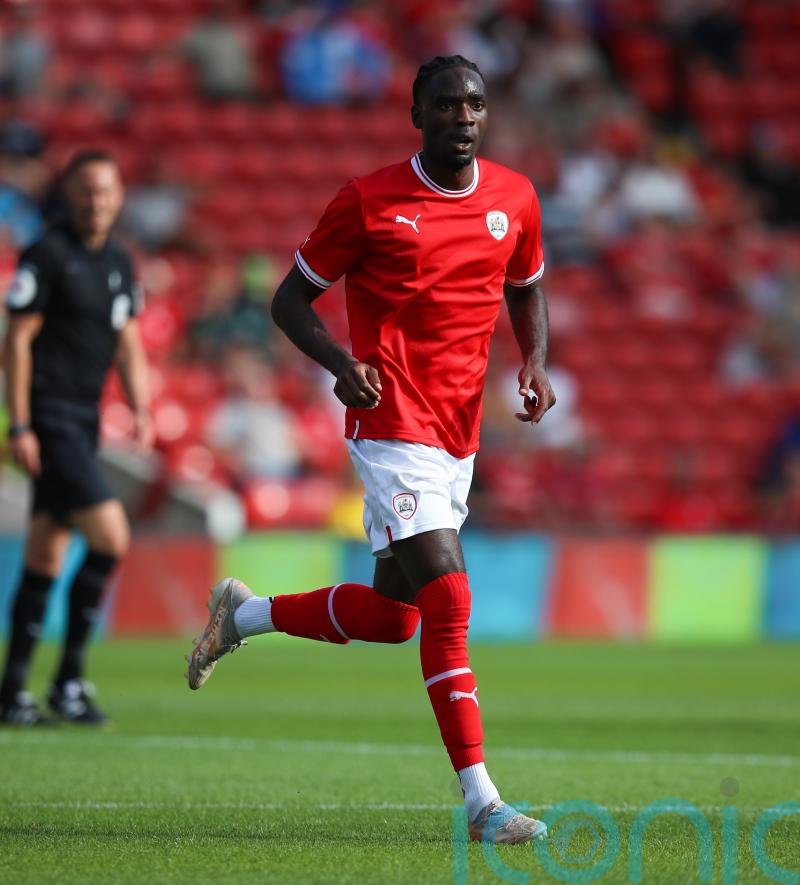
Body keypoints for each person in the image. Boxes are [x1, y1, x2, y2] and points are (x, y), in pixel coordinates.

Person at [186, 55, 556, 844]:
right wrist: (338, 363)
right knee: (449, 603)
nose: (464, 116)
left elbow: (526, 284)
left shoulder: (514, 197)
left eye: (476, 104)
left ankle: (240, 616)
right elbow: (291, 299)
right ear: (417, 115)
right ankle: (484, 802)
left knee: (394, 617)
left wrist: (534, 358)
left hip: (457, 434)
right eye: (448, 104)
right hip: (391, 427)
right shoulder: (369, 201)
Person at [0, 150, 152, 726]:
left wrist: (141, 407)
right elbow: (16, 341)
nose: (98, 202)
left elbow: (129, 339)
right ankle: (68, 681)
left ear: (119, 196)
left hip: (84, 421)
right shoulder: (47, 254)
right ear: (70, 194)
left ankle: (13, 692)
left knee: (45, 555)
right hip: (49, 415)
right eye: (88, 191)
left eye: (107, 191)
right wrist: (19, 424)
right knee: (111, 537)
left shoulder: (118, 261)